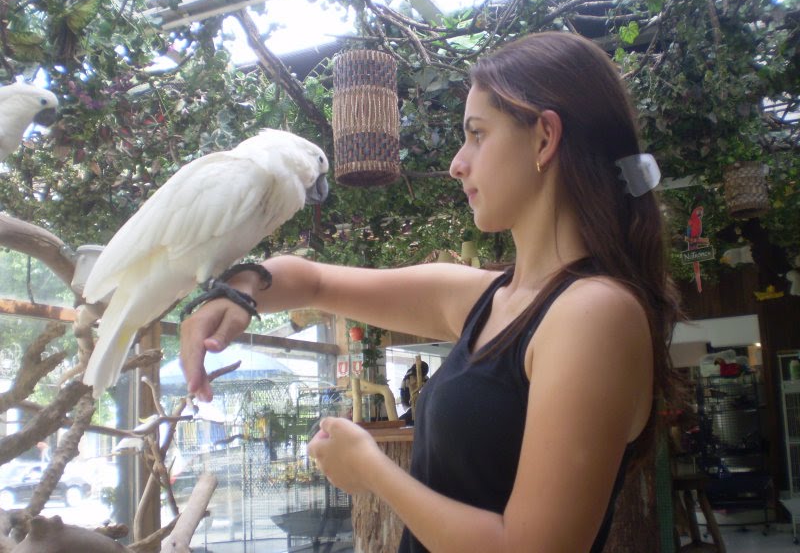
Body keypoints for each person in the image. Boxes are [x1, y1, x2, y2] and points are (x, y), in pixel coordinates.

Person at [179, 31, 682, 552]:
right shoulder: (489, 299)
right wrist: (238, 292)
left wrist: (373, 471)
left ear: (544, 138)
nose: (457, 163)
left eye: (477, 134)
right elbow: (315, 279)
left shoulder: (593, 313)